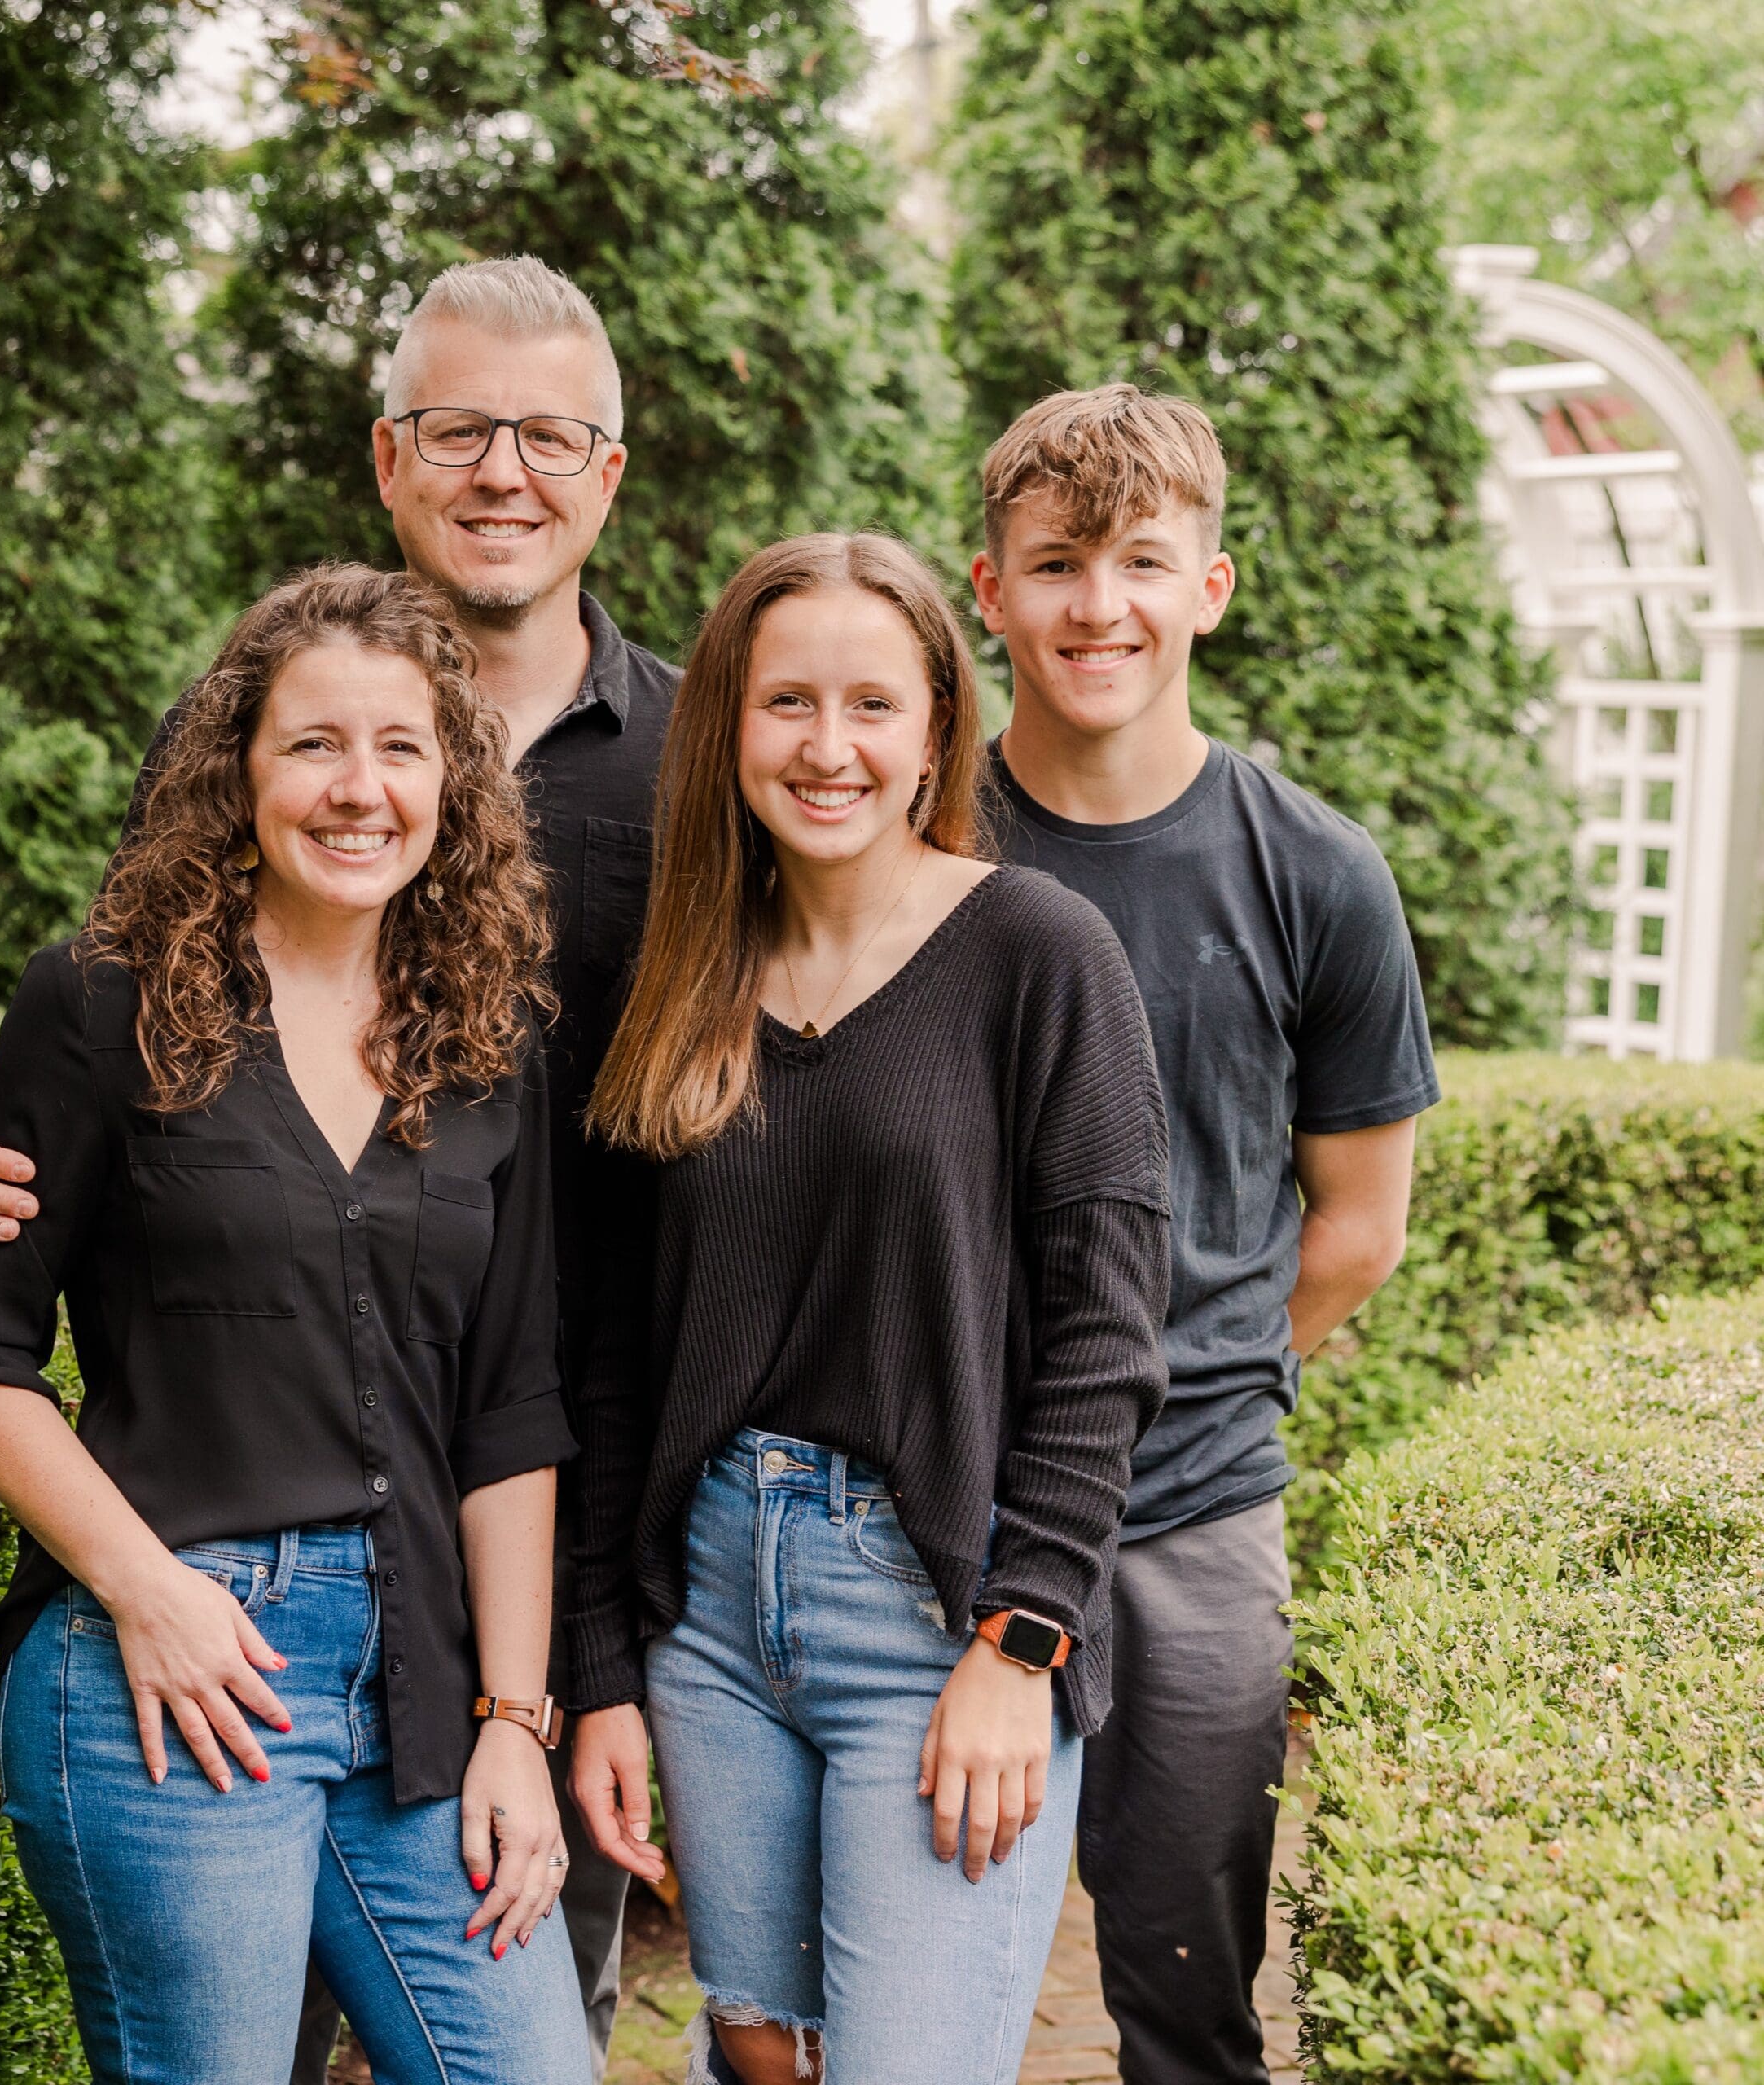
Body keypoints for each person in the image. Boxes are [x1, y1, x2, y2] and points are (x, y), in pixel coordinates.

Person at [0, 257, 672, 2083]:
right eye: (311, 743)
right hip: (175, 1650)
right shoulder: (110, 1002)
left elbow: (509, 1396)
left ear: (452, 786)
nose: (355, 783)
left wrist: (515, 1709)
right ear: (232, 766)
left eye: (399, 748)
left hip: (437, 1652)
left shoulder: (484, 1024)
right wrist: (148, 1586)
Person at [564, 533, 1174, 2085]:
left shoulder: (1040, 956)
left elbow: (1106, 1340)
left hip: (937, 1607)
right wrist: (606, 1669)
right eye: (787, 705)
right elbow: (615, 1353)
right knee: (763, 2053)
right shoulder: (683, 969)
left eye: (871, 707)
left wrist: (1020, 1642)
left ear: (934, 733)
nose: (827, 749)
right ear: (728, 725)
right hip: (708, 1605)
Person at [972, 386, 1437, 2084]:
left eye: (1139, 561)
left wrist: (1173, 1385)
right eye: (1055, 563)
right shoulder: (909, 839)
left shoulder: (1313, 871)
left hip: (1192, 1520)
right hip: (935, 1507)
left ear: (1210, 587)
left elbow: (1356, 1222)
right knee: (911, 1993)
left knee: (1184, 2000)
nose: (1098, 605)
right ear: (987, 589)